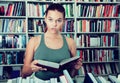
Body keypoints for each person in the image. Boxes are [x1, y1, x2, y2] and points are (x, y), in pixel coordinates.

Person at [21, 3, 82, 80]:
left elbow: (72, 75)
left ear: (63, 21)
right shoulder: (33, 41)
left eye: (59, 20)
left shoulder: (70, 42)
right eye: (50, 19)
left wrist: (75, 68)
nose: (54, 24)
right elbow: (24, 73)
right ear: (45, 19)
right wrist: (31, 68)